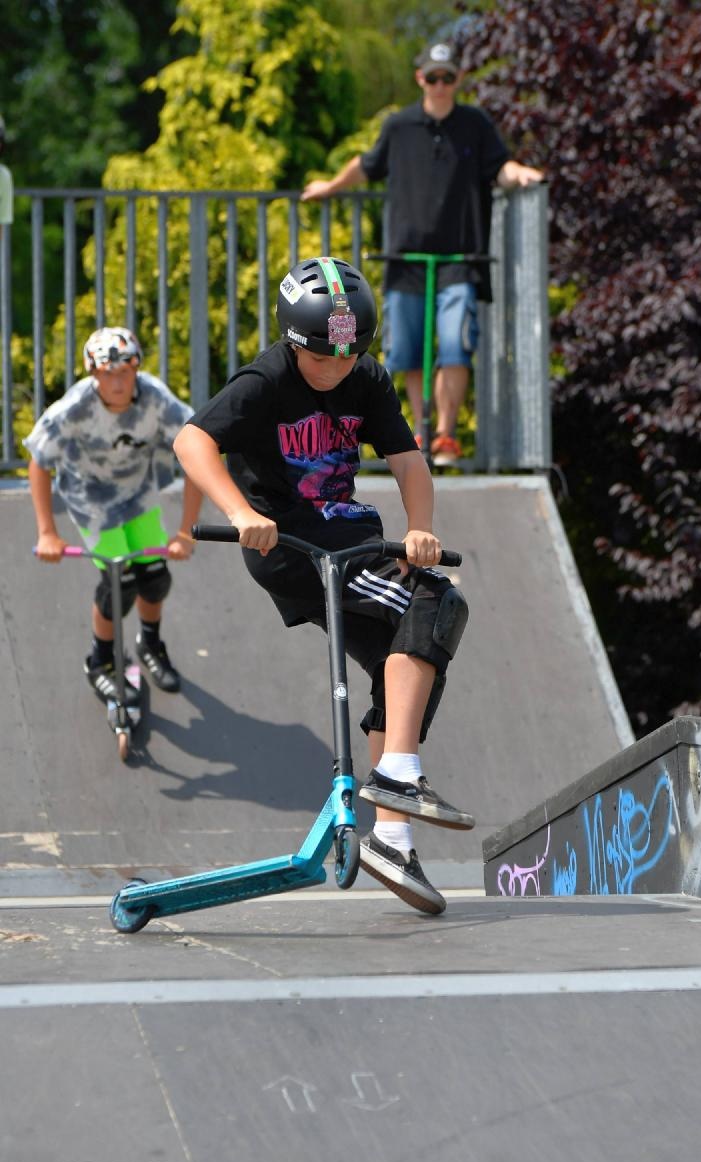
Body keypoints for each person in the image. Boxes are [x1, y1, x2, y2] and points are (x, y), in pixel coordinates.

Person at [173, 256, 473, 916]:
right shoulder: (266, 379)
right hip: (289, 548)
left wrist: (420, 527)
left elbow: (408, 461)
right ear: (293, 341)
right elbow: (191, 443)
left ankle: (391, 839)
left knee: (409, 656)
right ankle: (398, 776)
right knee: (434, 601)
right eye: (321, 360)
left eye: (348, 357)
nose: (336, 371)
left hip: (351, 542)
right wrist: (241, 513)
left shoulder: (367, 377)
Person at [301, 40, 544, 466]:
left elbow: (500, 167)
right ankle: (421, 430)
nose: (440, 85)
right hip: (406, 261)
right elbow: (367, 164)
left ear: (458, 79)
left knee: (455, 344)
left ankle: (445, 433)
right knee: (408, 350)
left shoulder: (475, 124)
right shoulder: (399, 126)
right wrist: (331, 187)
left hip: (459, 261)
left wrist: (520, 173)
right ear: (420, 79)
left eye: (448, 77)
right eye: (433, 78)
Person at [25, 327, 203, 698]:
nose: (118, 383)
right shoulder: (75, 407)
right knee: (120, 584)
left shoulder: (155, 398)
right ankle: (100, 661)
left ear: (136, 368)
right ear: (94, 374)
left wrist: (187, 531)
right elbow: (39, 461)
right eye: (108, 374)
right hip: (91, 502)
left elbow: (196, 451)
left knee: (155, 577)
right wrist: (47, 532)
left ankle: (150, 644)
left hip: (137, 495)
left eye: (125, 372)